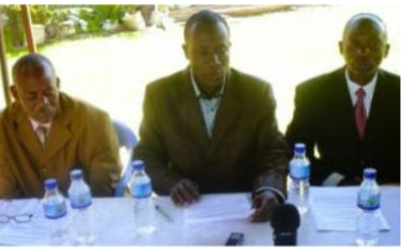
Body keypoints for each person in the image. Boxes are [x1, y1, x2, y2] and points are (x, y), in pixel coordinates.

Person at [134, 10, 290, 222]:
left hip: (245, 207)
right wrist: (171, 183)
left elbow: (273, 150)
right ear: (186, 52)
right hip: (184, 209)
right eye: (203, 52)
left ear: (230, 48)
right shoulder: (160, 94)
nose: (215, 61)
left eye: (221, 50)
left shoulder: (256, 92)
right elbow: (146, 154)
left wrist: (269, 189)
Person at [286, 13, 400, 186]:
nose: (363, 52)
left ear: (386, 50)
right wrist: (337, 182)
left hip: (392, 192)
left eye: (373, 45)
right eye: (355, 44)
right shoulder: (312, 93)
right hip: (333, 193)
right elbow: (295, 152)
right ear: (341, 47)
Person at [0, 53, 122, 198]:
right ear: (15, 93)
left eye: (49, 92)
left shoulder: (94, 120)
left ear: (57, 84)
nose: (42, 103)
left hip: (86, 207)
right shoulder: (4, 126)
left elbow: (104, 185)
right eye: (32, 97)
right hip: (30, 215)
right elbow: (5, 192)